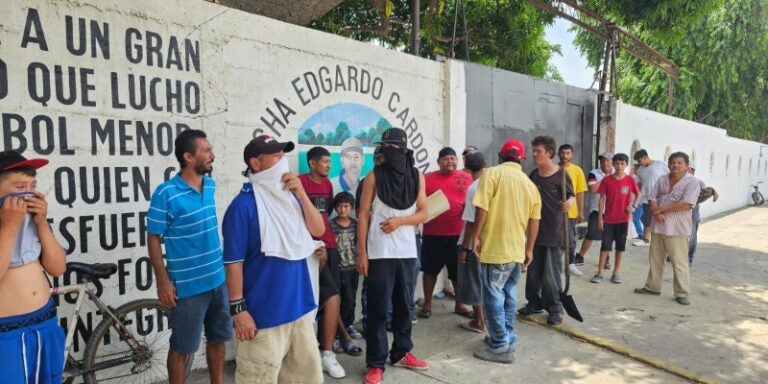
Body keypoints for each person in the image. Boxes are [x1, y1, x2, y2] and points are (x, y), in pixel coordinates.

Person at [222, 135, 326, 383]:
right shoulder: (242, 206)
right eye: (276, 156)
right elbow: (233, 263)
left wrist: (301, 194)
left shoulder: (290, 198)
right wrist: (239, 310)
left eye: (283, 156)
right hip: (264, 319)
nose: (283, 162)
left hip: (300, 311)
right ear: (255, 164)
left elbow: (318, 229)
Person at [146, 130, 232, 384]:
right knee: (182, 348)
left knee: (217, 340)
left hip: (218, 280)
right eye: (206, 151)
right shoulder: (167, 193)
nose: (212, 155)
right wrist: (163, 280)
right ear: (188, 157)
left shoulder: (210, 185)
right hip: (188, 287)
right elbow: (153, 237)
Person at [357, 127, 429, 384]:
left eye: (393, 148)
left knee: (404, 306)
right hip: (379, 252)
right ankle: (375, 363)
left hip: (407, 251)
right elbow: (363, 214)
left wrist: (400, 221)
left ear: (403, 149)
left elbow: (423, 213)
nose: (388, 152)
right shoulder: (373, 176)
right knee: (377, 310)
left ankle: (402, 352)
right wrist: (362, 252)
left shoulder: (417, 176)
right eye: (384, 147)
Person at [471, 139, 541, 363]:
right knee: (509, 294)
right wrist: (529, 249)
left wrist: (475, 236)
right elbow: (534, 221)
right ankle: (507, 336)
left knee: (492, 295)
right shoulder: (530, 185)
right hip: (517, 250)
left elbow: (482, 208)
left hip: (495, 247)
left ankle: (499, 344)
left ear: (500, 156)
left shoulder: (491, 174)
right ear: (521, 159)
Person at [0, 151, 67, 384]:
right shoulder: (10, 220)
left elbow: (57, 267)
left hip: (44, 321)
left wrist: (41, 222)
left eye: (33, 185)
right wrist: (9, 226)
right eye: (19, 186)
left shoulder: (32, 217)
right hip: (7, 333)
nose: (28, 192)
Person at [298, 147, 348, 378]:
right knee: (312, 301)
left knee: (333, 296)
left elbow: (323, 216)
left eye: (330, 162)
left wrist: (324, 246)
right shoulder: (299, 184)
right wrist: (313, 246)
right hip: (308, 252)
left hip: (328, 247)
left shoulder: (328, 186)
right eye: (325, 162)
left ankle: (328, 351)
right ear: (312, 163)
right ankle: (312, 351)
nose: (329, 166)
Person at [518, 136, 575, 325]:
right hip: (535, 232)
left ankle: (555, 308)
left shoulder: (561, 175)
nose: (534, 154)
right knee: (533, 272)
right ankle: (534, 302)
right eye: (533, 151)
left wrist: (569, 202)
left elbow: (572, 196)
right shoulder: (533, 175)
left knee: (551, 275)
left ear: (549, 153)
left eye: (538, 151)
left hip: (556, 232)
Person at [634, 152, 700, 305]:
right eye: (672, 162)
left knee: (679, 261)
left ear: (686, 166)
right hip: (658, 225)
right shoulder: (663, 179)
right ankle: (652, 287)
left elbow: (687, 204)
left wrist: (660, 209)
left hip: (677, 228)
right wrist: (656, 212)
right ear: (668, 164)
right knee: (655, 259)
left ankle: (682, 293)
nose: (675, 165)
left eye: (679, 162)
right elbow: (652, 197)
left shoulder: (692, 182)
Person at [419, 147, 473, 319]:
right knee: (430, 270)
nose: (449, 161)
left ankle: (460, 304)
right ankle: (427, 304)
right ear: (438, 162)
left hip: (458, 234)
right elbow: (419, 203)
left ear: (457, 160)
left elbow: (473, 201)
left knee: (458, 272)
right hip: (433, 233)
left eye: (452, 158)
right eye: (445, 159)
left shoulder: (466, 177)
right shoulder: (428, 179)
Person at [589, 153, 640, 284]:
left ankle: (616, 272)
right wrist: (600, 217)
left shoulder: (630, 180)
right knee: (605, 246)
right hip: (608, 219)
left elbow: (638, 194)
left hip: (623, 219)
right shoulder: (607, 180)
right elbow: (602, 199)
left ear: (626, 165)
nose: (619, 166)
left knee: (620, 247)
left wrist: (633, 206)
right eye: (616, 163)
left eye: (622, 163)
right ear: (613, 164)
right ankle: (600, 272)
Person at [456, 152, 487, 333]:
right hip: (492, 242)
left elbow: (470, 222)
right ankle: (488, 319)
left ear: (467, 169)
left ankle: (479, 321)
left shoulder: (474, 188)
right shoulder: (493, 184)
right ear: (485, 164)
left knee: (475, 281)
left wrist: (464, 247)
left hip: (475, 242)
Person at [330, 192, 363, 339]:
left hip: (353, 268)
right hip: (338, 270)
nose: (342, 209)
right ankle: (338, 328)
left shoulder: (356, 225)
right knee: (341, 298)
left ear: (351, 207)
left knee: (351, 298)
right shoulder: (330, 226)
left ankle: (348, 324)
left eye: (346, 206)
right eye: (339, 206)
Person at [574, 152, 614, 269]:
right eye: (602, 161)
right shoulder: (594, 173)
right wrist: (606, 178)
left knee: (608, 236)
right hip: (597, 210)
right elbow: (593, 189)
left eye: (607, 161)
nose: (605, 163)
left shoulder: (618, 174)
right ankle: (580, 255)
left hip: (612, 211)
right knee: (591, 234)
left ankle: (606, 258)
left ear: (612, 162)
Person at [558, 144, 588, 277]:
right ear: (558, 154)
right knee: (556, 239)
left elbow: (580, 192)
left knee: (570, 239)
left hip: (571, 212)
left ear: (572, 154)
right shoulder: (553, 169)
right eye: (563, 153)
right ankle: (555, 264)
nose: (565, 156)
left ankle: (570, 264)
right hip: (555, 212)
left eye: (567, 153)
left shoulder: (577, 170)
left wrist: (581, 211)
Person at [632, 149, 669, 247]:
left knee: (663, 219)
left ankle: (665, 241)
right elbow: (638, 184)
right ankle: (646, 240)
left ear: (645, 157)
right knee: (647, 220)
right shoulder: (640, 170)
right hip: (646, 198)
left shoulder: (660, 164)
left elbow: (671, 175)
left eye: (640, 161)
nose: (639, 163)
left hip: (661, 197)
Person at [687, 164, 708, 265]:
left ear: (691, 169)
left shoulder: (700, 183)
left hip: (692, 215)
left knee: (692, 237)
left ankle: (689, 258)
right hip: (677, 214)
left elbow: (701, 198)